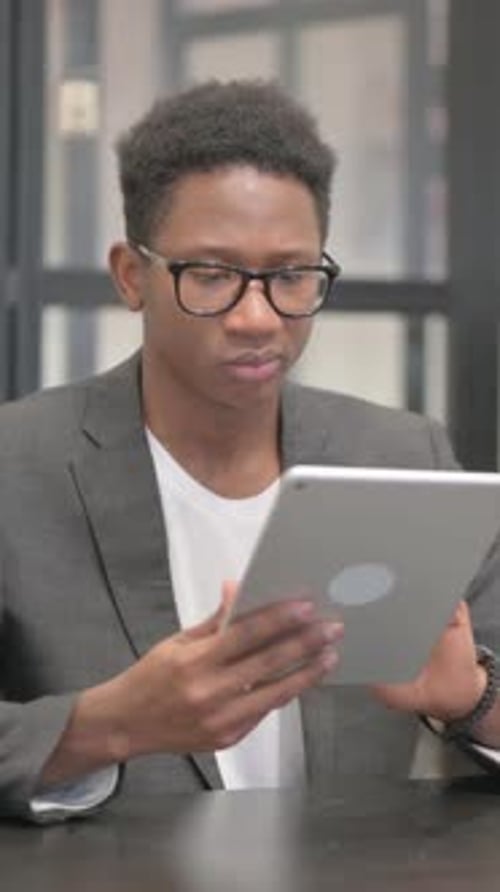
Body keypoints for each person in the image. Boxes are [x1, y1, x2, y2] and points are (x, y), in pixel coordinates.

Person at [1, 79, 500, 823]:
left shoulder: (399, 454)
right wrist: (109, 725)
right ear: (132, 276)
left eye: (292, 276)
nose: (258, 317)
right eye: (212, 275)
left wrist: (472, 700)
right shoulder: (17, 465)